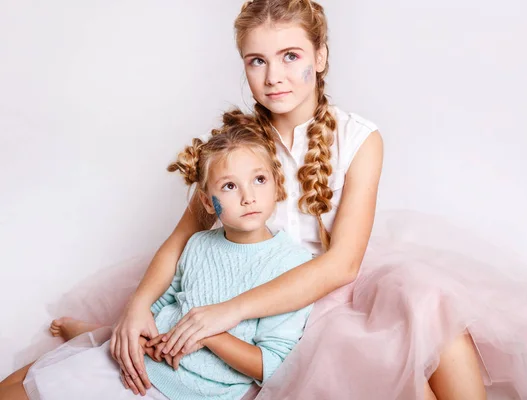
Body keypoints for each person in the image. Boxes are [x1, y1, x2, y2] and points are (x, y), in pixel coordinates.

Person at [6, 0, 527, 399]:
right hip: (241, 273)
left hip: (324, 290)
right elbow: (181, 237)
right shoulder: (236, 148)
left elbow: (341, 265)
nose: (275, 76)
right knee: (134, 333)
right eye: (257, 61)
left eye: (290, 56)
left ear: (319, 56)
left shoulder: (358, 138)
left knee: (428, 305)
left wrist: (230, 313)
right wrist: (138, 305)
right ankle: (113, 328)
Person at [0, 111, 314, 399]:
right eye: (230, 186)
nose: (248, 197)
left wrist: (207, 335)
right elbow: (164, 303)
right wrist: (141, 336)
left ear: (277, 185)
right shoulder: (199, 245)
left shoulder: (291, 266)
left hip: (180, 392)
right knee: (16, 386)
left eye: (259, 180)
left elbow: (270, 365)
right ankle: (97, 337)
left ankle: (92, 336)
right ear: (207, 203)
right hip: (144, 361)